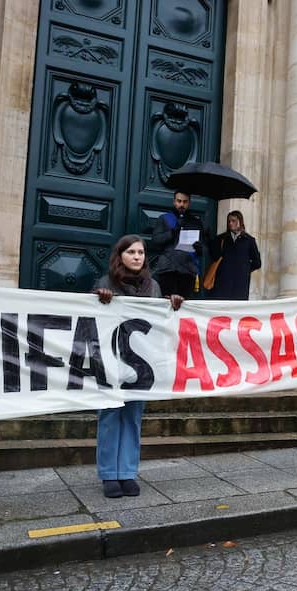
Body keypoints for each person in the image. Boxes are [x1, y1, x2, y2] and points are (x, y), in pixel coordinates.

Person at [94, 235, 183, 498]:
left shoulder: (153, 286)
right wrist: (100, 299)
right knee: (109, 417)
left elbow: (160, 321)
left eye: (141, 252)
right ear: (119, 255)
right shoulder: (105, 283)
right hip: (110, 361)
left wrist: (173, 304)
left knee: (133, 418)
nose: (136, 257)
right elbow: (88, 322)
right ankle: (109, 474)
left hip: (140, 366)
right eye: (131, 252)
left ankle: (128, 472)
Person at [151, 191, 205, 299]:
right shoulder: (164, 218)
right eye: (179, 201)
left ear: (189, 203)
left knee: (185, 305)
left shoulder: (195, 222)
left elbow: (201, 250)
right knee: (166, 302)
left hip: (187, 270)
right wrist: (173, 232)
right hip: (167, 269)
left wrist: (199, 248)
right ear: (174, 202)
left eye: (185, 202)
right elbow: (156, 240)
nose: (182, 205)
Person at [206, 210, 261, 300]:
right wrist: (209, 241)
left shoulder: (249, 240)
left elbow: (257, 262)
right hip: (222, 283)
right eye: (229, 221)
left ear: (240, 221)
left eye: (233, 221)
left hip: (240, 284)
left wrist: (245, 269)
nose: (230, 223)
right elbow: (214, 257)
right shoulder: (221, 239)